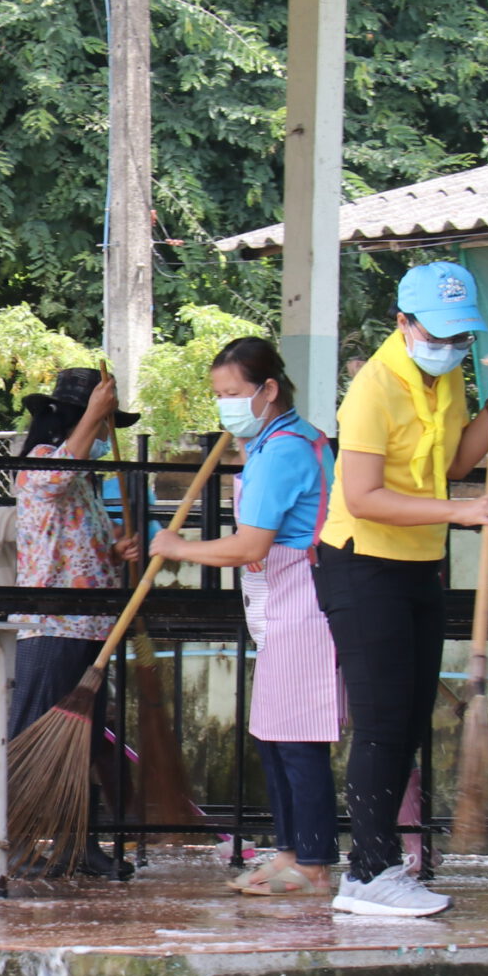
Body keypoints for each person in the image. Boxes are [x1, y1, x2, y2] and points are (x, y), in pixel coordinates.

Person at [313, 261, 488, 918]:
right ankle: (367, 872)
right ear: (403, 323)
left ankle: (382, 867)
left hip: (418, 563)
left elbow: (456, 461)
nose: (451, 346)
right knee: (381, 723)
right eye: (437, 334)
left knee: (407, 720)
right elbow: (362, 496)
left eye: (461, 336)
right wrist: (460, 512)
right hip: (361, 564)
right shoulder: (373, 389)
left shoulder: (446, 380)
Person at [148, 338, 337, 897]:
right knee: (273, 736)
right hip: (280, 601)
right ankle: (290, 852)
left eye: (233, 394)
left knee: (298, 738)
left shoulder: (284, 451)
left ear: (269, 390)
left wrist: (179, 548)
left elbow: (250, 544)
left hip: (304, 602)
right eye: (220, 395)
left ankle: (314, 864)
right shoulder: (274, 444)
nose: (225, 406)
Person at [7, 367, 144, 879]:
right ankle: (16, 844)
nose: (106, 434)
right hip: (51, 624)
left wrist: (115, 550)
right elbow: (57, 477)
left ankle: (78, 845)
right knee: (33, 733)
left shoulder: (86, 483)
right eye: (103, 424)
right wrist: (95, 414)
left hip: (90, 626)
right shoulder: (39, 465)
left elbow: (77, 546)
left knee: (82, 741)